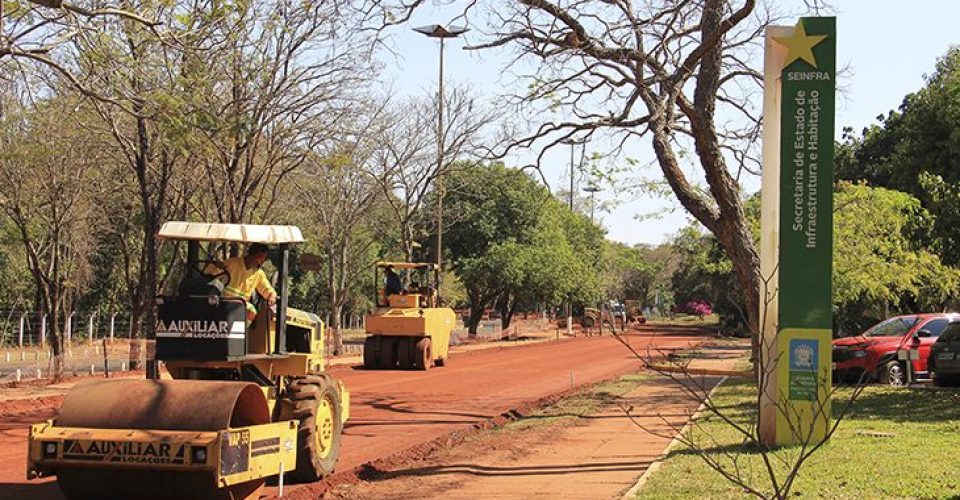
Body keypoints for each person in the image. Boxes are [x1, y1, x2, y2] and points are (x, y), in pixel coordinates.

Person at [207, 243, 277, 322]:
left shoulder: (259, 274)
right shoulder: (231, 264)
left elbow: (266, 288)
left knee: (251, 311)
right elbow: (210, 276)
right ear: (253, 255)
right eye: (261, 257)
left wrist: (271, 295)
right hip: (223, 301)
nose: (263, 261)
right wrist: (216, 267)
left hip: (241, 305)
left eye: (264, 258)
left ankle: (242, 332)